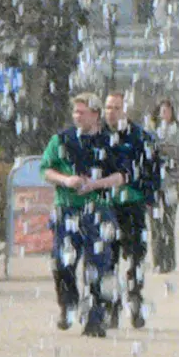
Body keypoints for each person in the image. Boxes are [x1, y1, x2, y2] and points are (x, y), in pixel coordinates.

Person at [40, 92, 128, 337]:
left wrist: (96, 184)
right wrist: (66, 179)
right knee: (62, 262)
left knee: (98, 266)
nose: (76, 116)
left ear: (96, 114)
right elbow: (46, 170)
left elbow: (121, 176)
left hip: (98, 209)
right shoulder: (62, 139)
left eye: (82, 112)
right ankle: (67, 303)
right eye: (75, 112)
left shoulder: (110, 141)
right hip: (66, 208)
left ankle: (95, 318)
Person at [103, 92, 161, 329]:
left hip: (132, 206)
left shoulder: (140, 137)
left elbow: (154, 170)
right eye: (108, 108)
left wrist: (148, 196)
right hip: (107, 206)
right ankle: (110, 306)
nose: (112, 112)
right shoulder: (99, 136)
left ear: (125, 110)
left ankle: (135, 298)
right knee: (107, 258)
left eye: (117, 108)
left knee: (136, 256)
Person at [148, 98, 179, 274]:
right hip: (155, 182)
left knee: (169, 223)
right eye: (162, 111)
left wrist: (164, 151)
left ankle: (169, 261)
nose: (164, 114)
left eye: (167, 111)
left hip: (171, 181)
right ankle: (158, 261)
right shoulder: (152, 131)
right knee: (155, 223)